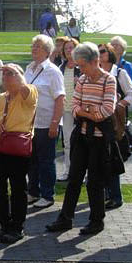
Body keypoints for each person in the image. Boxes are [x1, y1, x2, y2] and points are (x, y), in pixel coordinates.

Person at [46, 42, 117, 235]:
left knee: (95, 182)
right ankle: (65, 218)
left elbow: (107, 110)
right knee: (74, 179)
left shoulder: (108, 80)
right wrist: (88, 111)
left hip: (100, 139)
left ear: (95, 61)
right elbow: (75, 106)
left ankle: (96, 221)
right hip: (83, 135)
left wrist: (88, 112)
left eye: (83, 65)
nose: (81, 69)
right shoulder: (83, 80)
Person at [0, 64, 38, 244]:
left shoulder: (29, 93)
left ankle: (17, 227)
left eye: (11, 74)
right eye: (5, 74)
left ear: (20, 77)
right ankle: (4, 224)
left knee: (18, 189)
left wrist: (17, 72)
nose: (7, 77)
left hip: (17, 148)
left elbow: (26, 92)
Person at [25, 34, 65, 208]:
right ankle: (33, 192)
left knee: (46, 160)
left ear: (47, 51)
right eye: (33, 46)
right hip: (30, 124)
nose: (34, 49)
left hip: (47, 123)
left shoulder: (53, 71)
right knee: (31, 160)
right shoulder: (29, 68)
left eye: (38, 46)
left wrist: (55, 123)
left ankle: (47, 195)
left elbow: (60, 99)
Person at [98, 42, 132, 210]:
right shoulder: (95, 73)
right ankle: (105, 194)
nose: (99, 54)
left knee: (112, 159)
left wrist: (119, 105)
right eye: (97, 52)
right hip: (97, 121)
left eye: (102, 52)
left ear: (110, 54)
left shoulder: (119, 73)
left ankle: (115, 196)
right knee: (99, 160)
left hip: (114, 125)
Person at [57, 38, 80, 182]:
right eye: (66, 49)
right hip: (66, 110)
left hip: (81, 111)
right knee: (67, 142)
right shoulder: (61, 67)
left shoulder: (82, 66)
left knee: (81, 143)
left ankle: (83, 173)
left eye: (71, 48)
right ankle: (68, 171)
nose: (69, 51)